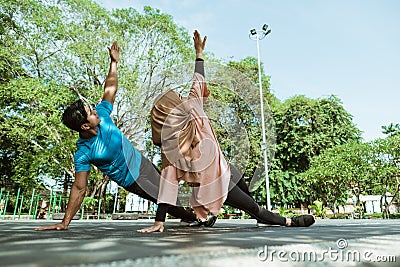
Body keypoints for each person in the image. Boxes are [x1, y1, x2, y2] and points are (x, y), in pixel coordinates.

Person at [138, 30, 315, 233]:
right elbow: (168, 186)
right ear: (171, 112)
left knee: (246, 188)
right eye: (178, 98)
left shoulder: (193, 106)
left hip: (223, 166)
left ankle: (249, 215)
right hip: (213, 185)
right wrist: (159, 222)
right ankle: (286, 221)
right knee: (253, 207)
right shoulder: (173, 149)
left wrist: (199, 54)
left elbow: (198, 79)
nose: (182, 97)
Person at [35, 41, 199, 231]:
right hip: (133, 180)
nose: (96, 111)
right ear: (85, 125)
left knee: (169, 188)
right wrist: (65, 222)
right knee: (166, 201)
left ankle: (193, 215)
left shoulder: (102, 115)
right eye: (91, 113)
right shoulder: (83, 153)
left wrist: (114, 63)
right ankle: (190, 217)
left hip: (142, 163)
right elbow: (79, 188)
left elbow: (110, 90)